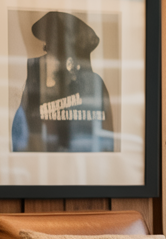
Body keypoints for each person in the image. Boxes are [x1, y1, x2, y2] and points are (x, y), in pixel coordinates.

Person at [11, 11, 114, 153]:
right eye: (47, 48)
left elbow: (105, 142)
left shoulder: (93, 84)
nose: (47, 56)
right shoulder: (36, 85)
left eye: (55, 50)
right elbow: (20, 137)